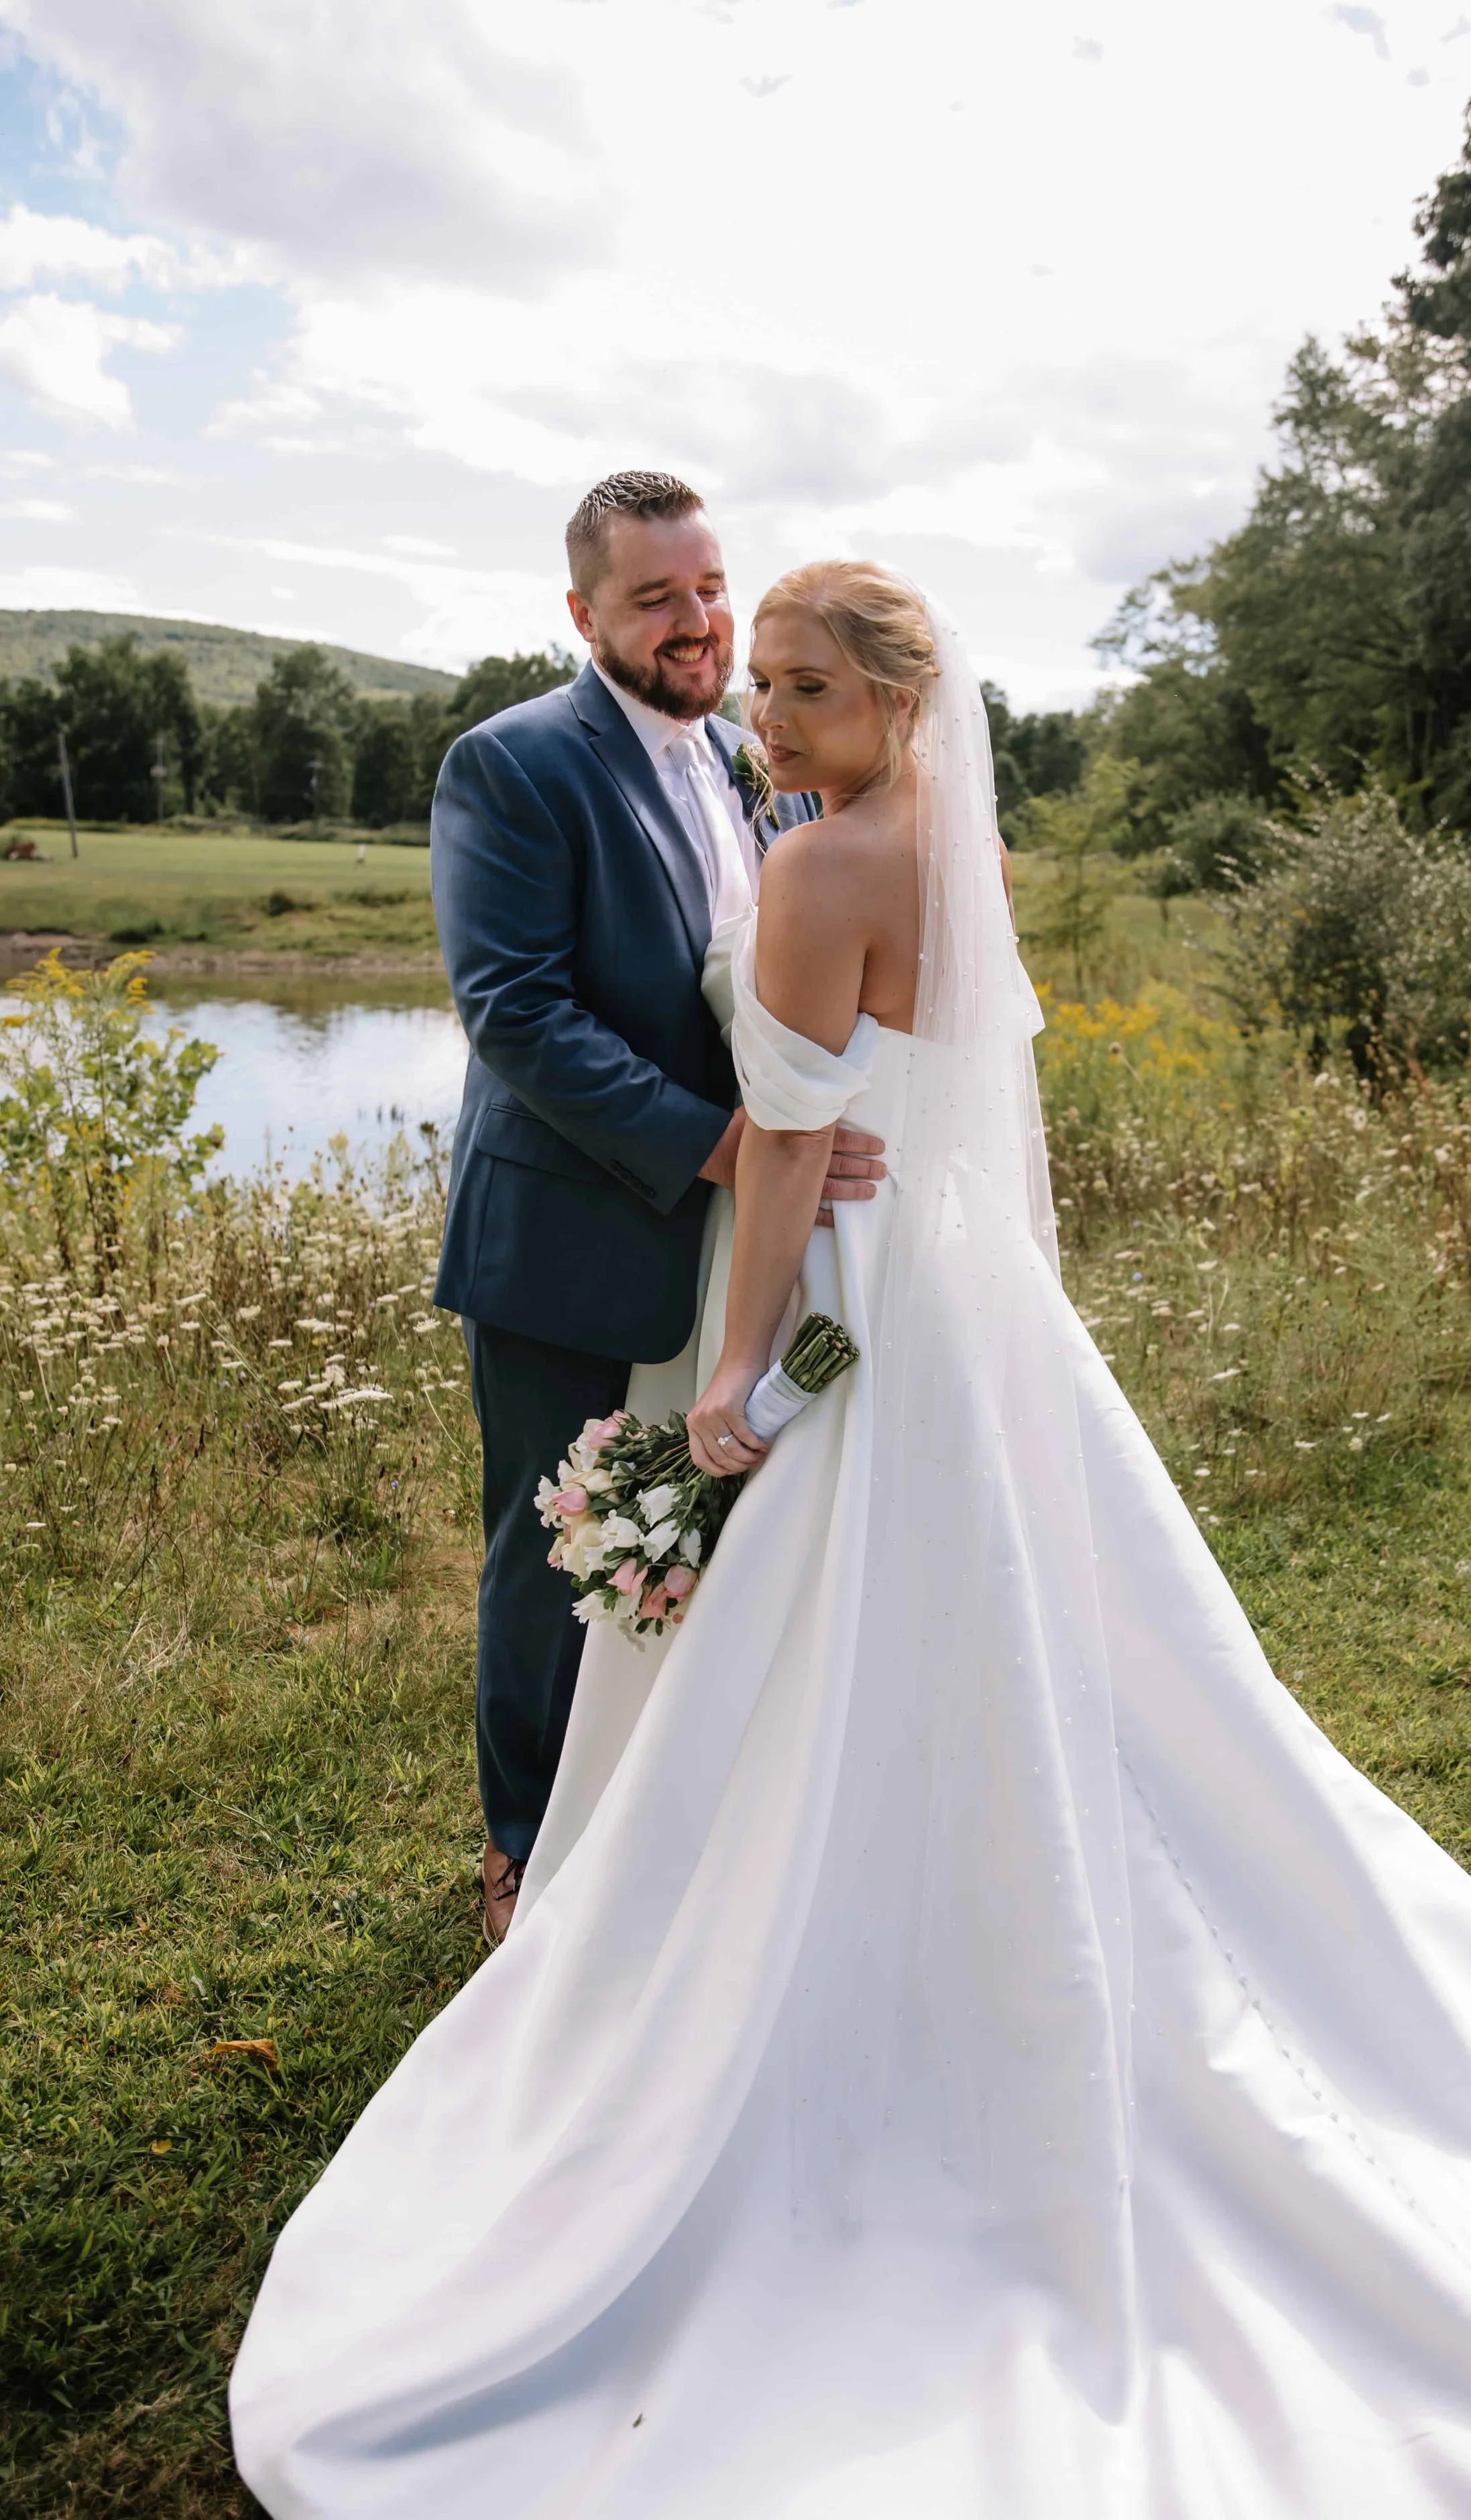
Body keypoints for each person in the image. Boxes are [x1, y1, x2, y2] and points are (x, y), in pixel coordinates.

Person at [232, 567, 1471, 2517]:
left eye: (806, 690)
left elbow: (788, 1160)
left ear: (903, 697)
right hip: (968, 1309)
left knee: (829, 1652)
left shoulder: (826, 866)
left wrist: (737, 1377)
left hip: (839, 1302)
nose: (769, 719)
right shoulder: (940, 842)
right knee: (1033, 1648)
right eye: (760, 686)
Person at [425, 473, 886, 1945]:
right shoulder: (511, 764)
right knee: (548, 1551)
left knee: (688, 1534)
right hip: (569, 1230)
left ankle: (653, 1835)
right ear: (582, 614)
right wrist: (729, 1148)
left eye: (705, 588)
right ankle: (520, 1853)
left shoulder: (756, 760)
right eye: (653, 599)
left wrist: (808, 1132)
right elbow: (514, 1010)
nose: (695, 623)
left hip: (716, 1249)